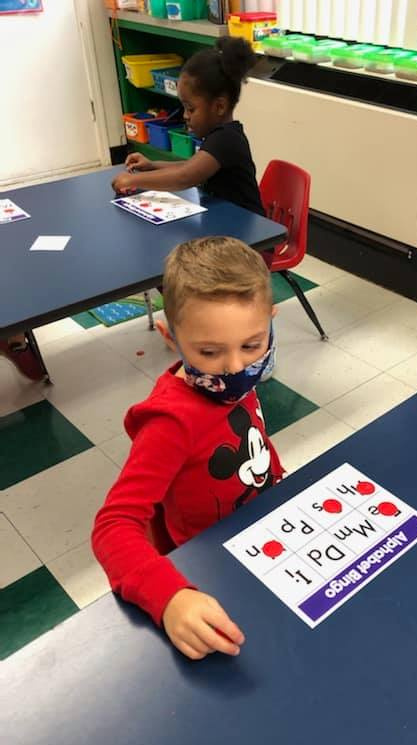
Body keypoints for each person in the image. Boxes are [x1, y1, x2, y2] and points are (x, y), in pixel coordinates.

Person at [92, 236, 284, 661]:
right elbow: (113, 526)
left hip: (261, 539)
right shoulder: (170, 423)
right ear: (170, 336)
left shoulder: (231, 383)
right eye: (210, 351)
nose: (235, 367)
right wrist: (170, 598)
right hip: (211, 571)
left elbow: (252, 440)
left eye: (252, 345)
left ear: (271, 321)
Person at [111, 36, 264, 217]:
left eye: (191, 109)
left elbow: (185, 176)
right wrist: (152, 165)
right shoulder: (218, 136)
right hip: (225, 223)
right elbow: (190, 166)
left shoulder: (226, 139)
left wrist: (132, 180)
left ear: (219, 106)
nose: (185, 115)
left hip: (248, 235)